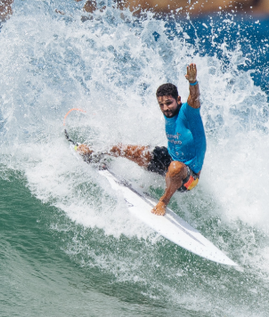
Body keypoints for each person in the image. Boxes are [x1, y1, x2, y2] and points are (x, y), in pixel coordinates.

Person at [79, 63, 206, 216]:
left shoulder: (188, 112)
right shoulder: (168, 115)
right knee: (132, 150)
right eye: (161, 104)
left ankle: (163, 202)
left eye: (169, 103)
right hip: (171, 158)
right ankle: (95, 153)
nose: (165, 108)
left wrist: (193, 82)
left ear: (178, 100)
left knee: (175, 168)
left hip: (189, 177)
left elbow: (194, 98)